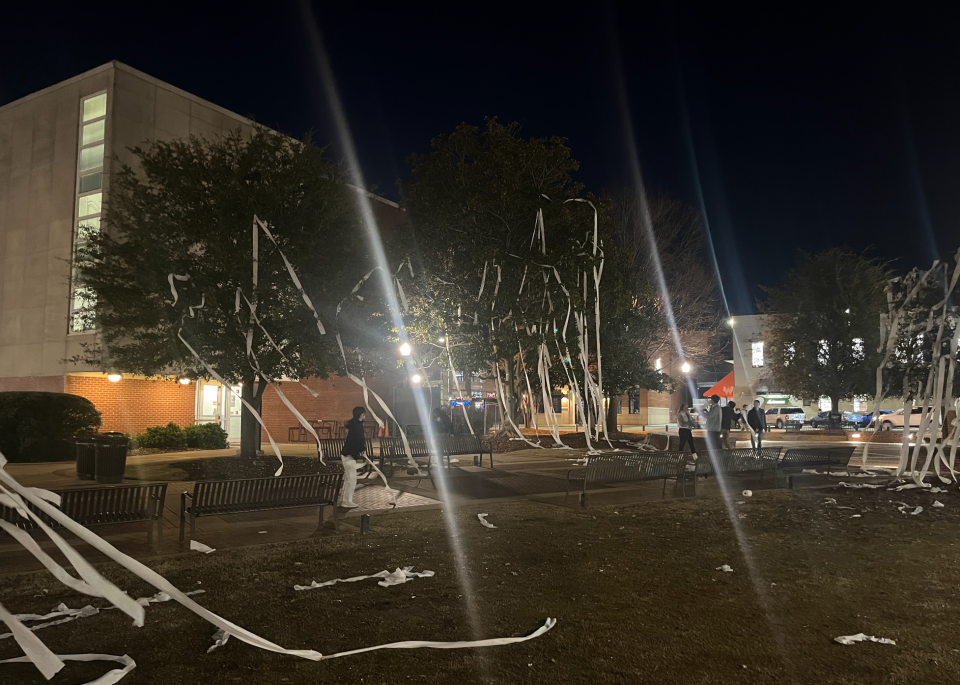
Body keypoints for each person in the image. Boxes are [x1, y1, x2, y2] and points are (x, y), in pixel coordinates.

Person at [339, 406, 368, 509]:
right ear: (361, 415)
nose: (365, 416)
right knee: (351, 479)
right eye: (364, 414)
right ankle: (346, 501)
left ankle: (345, 499)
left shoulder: (354, 424)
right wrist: (362, 449)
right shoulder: (357, 426)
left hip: (347, 454)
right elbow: (358, 440)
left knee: (348, 478)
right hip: (349, 455)